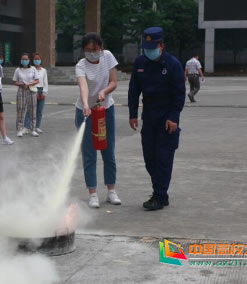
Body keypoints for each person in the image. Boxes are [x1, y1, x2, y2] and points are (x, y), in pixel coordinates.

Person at [128, 27, 186, 211]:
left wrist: (173, 117)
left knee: (163, 158)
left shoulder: (173, 64)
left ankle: (159, 196)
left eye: (152, 46)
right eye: (146, 47)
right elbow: (133, 90)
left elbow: (179, 93)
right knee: (149, 158)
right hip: (149, 117)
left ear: (161, 46)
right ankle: (161, 193)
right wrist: (132, 114)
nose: (149, 50)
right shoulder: (140, 62)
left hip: (167, 119)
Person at [74, 32, 121, 208]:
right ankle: (92, 192)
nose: (91, 53)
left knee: (108, 150)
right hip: (85, 112)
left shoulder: (108, 56)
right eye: (87, 50)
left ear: (101, 49)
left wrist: (104, 91)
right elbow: (83, 86)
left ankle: (111, 191)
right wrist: (86, 103)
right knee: (89, 153)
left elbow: (114, 82)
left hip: (106, 109)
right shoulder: (81, 65)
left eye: (94, 50)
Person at [13, 53, 40, 137]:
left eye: (26, 59)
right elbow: (14, 82)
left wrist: (29, 84)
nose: (24, 61)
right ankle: (20, 130)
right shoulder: (18, 70)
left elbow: (37, 80)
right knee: (20, 110)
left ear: (29, 60)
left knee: (32, 110)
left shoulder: (33, 69)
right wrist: (21, 84)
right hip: (21, 90)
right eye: (23, 59)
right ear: (21, 60)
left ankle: (33, 129)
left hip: (31, 90)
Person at [24, 53, 48, 134]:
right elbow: (29, 81)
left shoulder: (44, 70)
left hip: (41, 90)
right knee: (30, 110)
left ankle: (37, 126)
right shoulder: (30, 69)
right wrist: (34, 91)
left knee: (39, 111)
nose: (37, 60)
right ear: (32, 60)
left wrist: (44, 93)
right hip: (33, 89)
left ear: (40, 60)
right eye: (35, 59)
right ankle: (26, 127)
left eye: (38, 59)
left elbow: (45, 82)